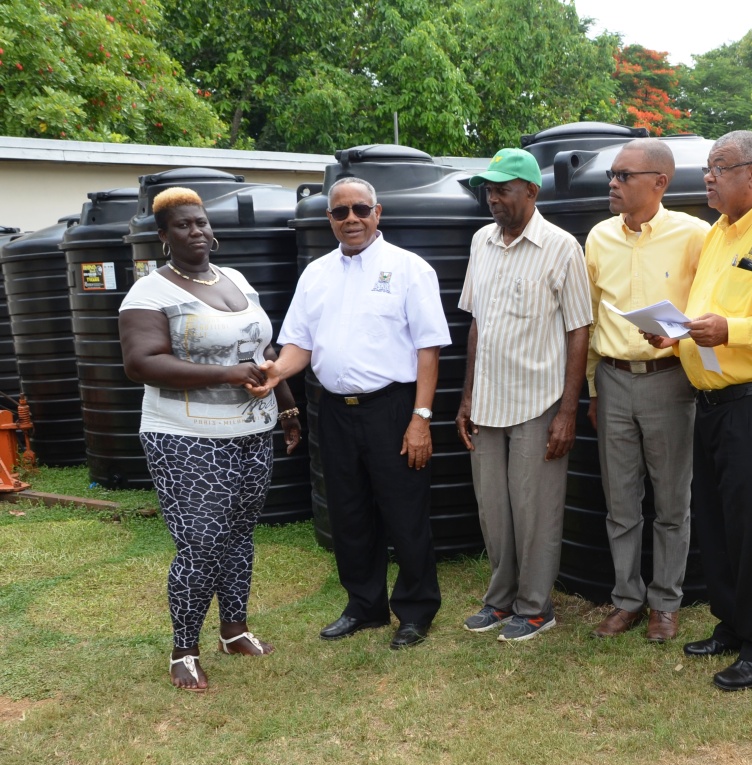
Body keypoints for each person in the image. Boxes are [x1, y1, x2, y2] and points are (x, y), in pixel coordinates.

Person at [643, 130, 752, 689]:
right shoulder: (719, 233)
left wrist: (731, 331)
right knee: (716, 524)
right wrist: (677, 336)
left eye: (720, 167)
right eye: (709, 168)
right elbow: (708, 313)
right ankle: (733, 625)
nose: (708, 177)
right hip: (715, 401)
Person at [252, 176, 450, 650]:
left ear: (377, 213)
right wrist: (277, 373)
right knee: (349, 513)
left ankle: (415, 610)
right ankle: (364, 606)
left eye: (360, 209)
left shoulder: (409, 269)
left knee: (405, 512)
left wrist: (421, 417)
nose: (351, 219)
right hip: (334, 412)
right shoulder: (316, 274)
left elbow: (429, 349)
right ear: (329, 220)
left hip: (393, 407)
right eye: (341, 213)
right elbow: (299, 341)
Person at [119, 186, 301, 692]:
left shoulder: (236, 280)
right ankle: (184, 650)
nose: (196, 231)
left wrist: (285, 405)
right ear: (163, 235)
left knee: (239, 536)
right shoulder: (151, 292)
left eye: (201, 222)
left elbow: (263, 350)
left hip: (250, 431)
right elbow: (141, 363)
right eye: (183, 225)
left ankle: (234, 629)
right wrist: (224, 375)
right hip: (186, 437)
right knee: (201, 543)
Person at [456, 148, 591, 642]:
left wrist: (568, 412)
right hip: (488, 401)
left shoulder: (561, 247)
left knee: (534, 510)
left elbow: (580, 329)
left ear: (531, 192)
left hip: (539, 401)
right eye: (488, 191)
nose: (492, 199)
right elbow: (477, 324)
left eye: (502, 190)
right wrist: (467, 396)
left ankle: (536, 607)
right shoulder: (480, 242)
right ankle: (500, 599)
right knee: (493, 508)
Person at [584, 138, 708, 642]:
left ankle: (666, 603)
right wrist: (594, 387)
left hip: (669, 380)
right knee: (620, 503)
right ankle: (627, 599)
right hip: (613, 381)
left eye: (623, 176)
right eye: (611, 175)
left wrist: (680, 337)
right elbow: (590, 317)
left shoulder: (695, 235)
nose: (612, 184)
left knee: (672, 502)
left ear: (660, 183)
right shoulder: (598, 238)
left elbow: (710, 305)